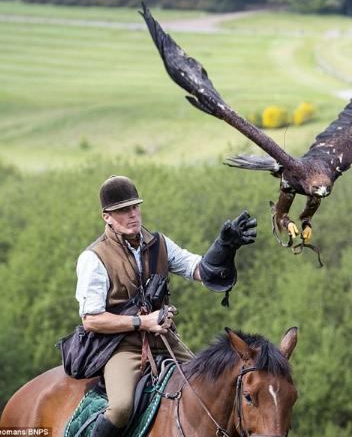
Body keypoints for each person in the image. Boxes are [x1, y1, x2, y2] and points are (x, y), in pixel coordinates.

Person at [75, 175, 257, 437]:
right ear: (107, 216)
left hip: (166, 341)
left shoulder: (158, 243)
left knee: (210, 391)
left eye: (135, 207)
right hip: (121, 347)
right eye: (123, 210)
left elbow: (199, 269)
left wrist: (224, 247)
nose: (132, 215)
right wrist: (142, 322)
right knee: (121, 408)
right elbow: (91, 320)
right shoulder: (93, 258)